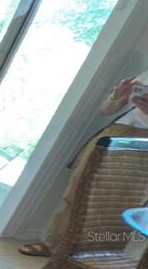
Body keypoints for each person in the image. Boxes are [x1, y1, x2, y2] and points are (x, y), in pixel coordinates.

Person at [20, 71, 148, 257]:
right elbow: (105, 110)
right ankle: (53, 243)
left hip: (144, 144)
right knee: (78, 189)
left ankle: (98, 252)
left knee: (125, 201)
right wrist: (117, 95)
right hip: (115, 133)